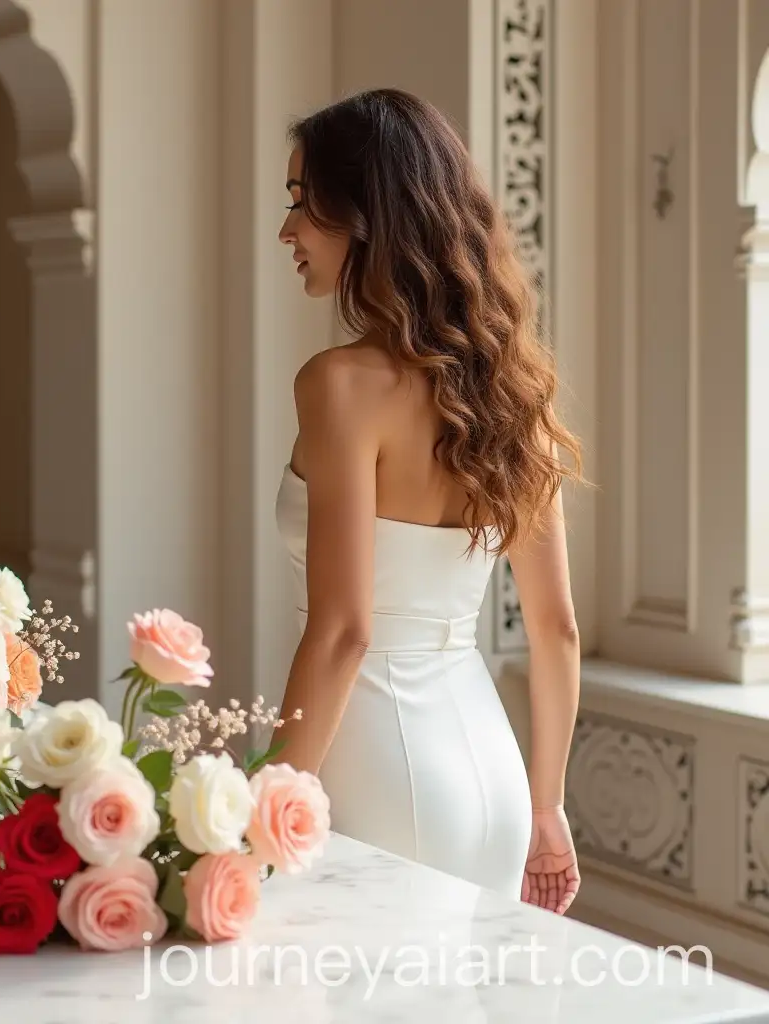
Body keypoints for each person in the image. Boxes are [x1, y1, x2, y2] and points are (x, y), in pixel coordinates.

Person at [270, 88, 583, 914]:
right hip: (494, 777)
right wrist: (547, 809)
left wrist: (265, 811)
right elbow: (557, 630)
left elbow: (344, 630)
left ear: (366, 213)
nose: (287, 231)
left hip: (379, 769)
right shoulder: (515, 393)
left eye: (303, 204)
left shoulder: (339, 386)